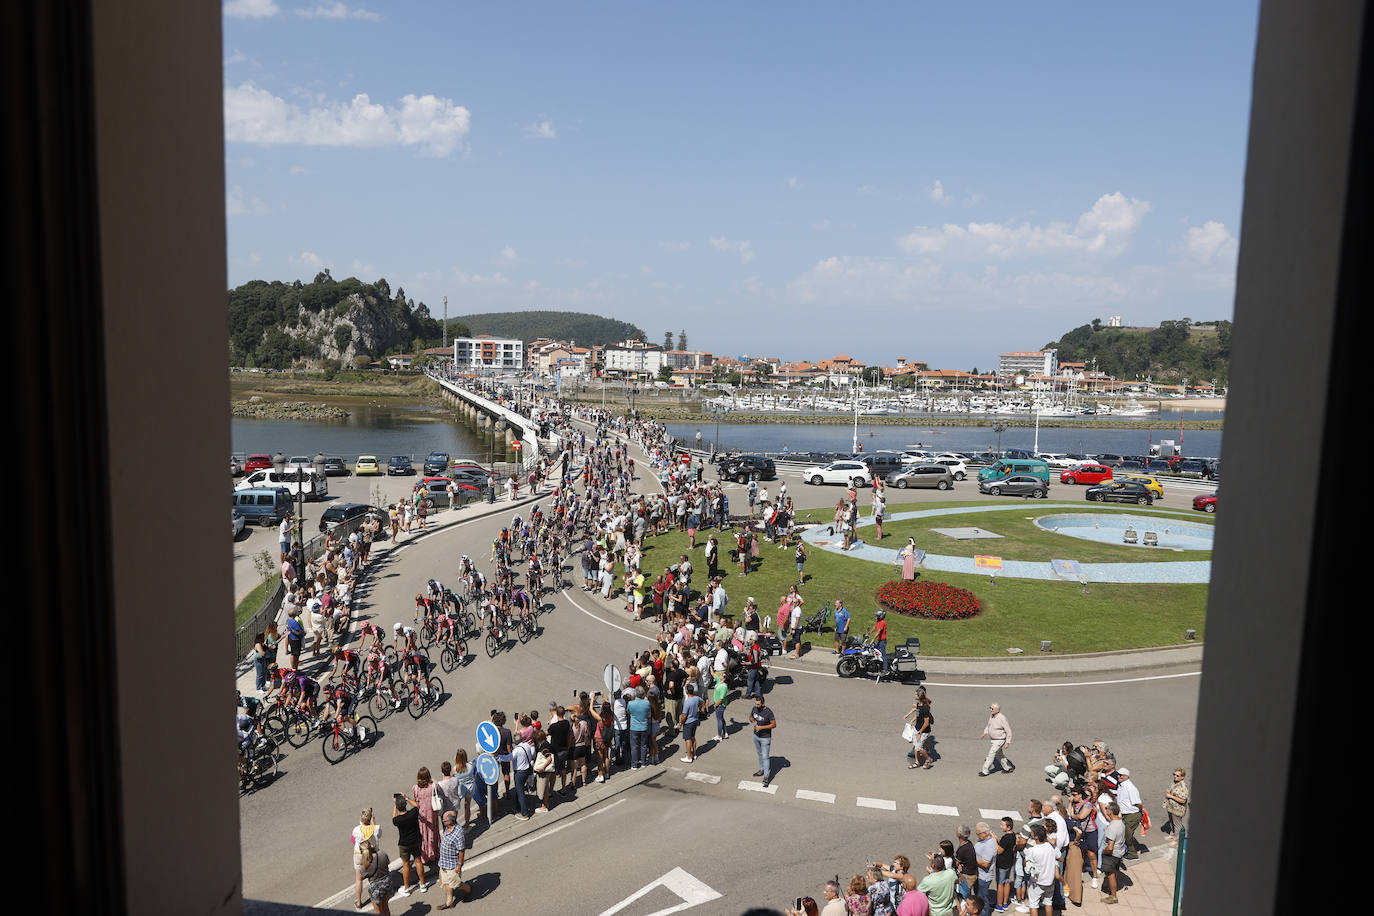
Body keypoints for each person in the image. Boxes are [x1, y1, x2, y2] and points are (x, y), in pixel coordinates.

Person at [392, 793, 426, 898]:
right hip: (416, 840)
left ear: (398, 807)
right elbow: (416, 806)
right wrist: (406, 798)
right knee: (418, 860)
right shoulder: (413, 813)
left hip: (404, 844)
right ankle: (422, 884)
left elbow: (393, 817)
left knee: (406, 865)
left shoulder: (397, 820)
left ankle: (406, 888)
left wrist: (395, 804)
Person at [435, 811, 471, 909]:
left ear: (450, 821)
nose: (442, 821)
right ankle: (449, 902)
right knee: (446, 884)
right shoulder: (448, 827)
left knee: (457, 885)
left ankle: (468, 889)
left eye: (444, 820)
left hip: (452, 865)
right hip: (443, 863)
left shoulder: (459, 833)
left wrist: (459, 865)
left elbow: (461, 850)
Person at [355, 837, 393, 914]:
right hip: (387, 883)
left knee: (378, 911)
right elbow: (388, 862)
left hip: (376, 888)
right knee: (386, 907)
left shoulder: (364, 866)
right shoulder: (382, 854)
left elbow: (360, 878)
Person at [1099, 802, 1125, 904]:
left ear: (1110, 811)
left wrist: (1104, 852)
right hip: (1119, 852)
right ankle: (1111, 889)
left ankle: (1113, 896)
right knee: (1115, 871)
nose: (1106, 810)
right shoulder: (1120, 822)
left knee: (1110, 874)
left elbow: (1110, 847)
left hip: (1111, 855)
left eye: (1107, 809)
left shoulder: (1112, 827)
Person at [978, 703, 1014, 777]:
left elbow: (1008, 731)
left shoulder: (1002, 718)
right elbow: (989, 725)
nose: (990, 710)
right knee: (999, 754)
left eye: (992, 709)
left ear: (997, 710)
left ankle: (985, 771)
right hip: (993, 740)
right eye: (990, 708)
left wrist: (1008, 742)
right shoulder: (992, 716)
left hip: (1000, 740)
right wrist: (985, 732)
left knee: (991, 754)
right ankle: (1008, 768)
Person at [1114, 768, 1143, 858]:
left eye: (1121, 775)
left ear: (1127, 776)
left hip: (1132, 815)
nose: (1118, 776)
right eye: (1118, 774)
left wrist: (1140, 813)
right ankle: (1127, 849)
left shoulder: (1130, 788)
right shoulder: (1121, 785)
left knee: (1127, 835)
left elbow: (1139, 804)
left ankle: (1133, 854)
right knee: (1124, 833)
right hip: (1125, 814)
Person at [750, 694, 776, 786]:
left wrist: (761, 727)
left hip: (765, 738)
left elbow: (773, 725)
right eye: (756, 704)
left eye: (758, 704)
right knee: (759, 754)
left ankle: (766, 777)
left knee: (765, 756)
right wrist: (753, 722)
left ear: (763, 703)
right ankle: (761, 770)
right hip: (756, 736)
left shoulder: (768, 712)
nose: (756, 706)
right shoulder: (754, 709)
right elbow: (751, 717)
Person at [1163, 767, 1190, 844]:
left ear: (1182, 777)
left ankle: (1177, 840)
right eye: (1174, 774)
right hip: (1171, 807)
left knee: (1177, 824)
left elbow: (1183, 800)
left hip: (1177, 809)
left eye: (1177, 775)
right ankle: (1173, 834)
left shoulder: (1183, 787)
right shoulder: (1174, 782)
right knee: (1172, 821)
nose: (1175, 776)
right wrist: (1168, 792)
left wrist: (1171, 796)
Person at [679, 681, 703, 763]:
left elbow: (684, 715)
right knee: (693, 737)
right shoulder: (696, 698)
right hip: (695, 720)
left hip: (688, 722)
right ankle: (694, 753)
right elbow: (702, 702)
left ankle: (689, 757)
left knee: (687, 739)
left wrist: (680, 723)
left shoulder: (687, 702)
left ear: (686, 691)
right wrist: (699, 709)